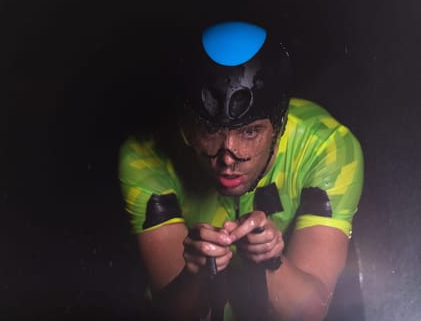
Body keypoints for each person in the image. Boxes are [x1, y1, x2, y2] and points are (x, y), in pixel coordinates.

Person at [118, 20, 364, 321]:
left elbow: (309, 312)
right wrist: (194, 273)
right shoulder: (144, 154)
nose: (228, 157)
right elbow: (176, 314)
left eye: (250, 132)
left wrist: (272, 261)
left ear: (279, 126)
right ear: (186, 123)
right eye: (209, 130)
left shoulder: (328, 147)